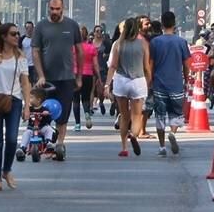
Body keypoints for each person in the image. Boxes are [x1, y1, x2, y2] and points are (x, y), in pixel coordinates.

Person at [32, 0, 83, 158]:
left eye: (57, 9)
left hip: (67, 77)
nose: (54, 12)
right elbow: (35, 51)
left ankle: (59, 144)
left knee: (63, 113)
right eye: (52, 9)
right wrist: (40, 75)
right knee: (44, 112)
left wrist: (79, 76)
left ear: (63, 8)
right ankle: (45, 142)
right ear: (48, 8)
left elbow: (80, 51)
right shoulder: (41, 26)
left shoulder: (72, 25)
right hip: (46, 79)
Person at [0, 22, 31, 189]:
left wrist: (27, 106)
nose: (17, 37)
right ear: (3, 36)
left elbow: (25, 83)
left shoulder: (20, 57)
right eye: (13, 34)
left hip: (14, 100)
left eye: (17, 34)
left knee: (12, 139)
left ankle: (7, 170)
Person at [106, 17, 151, 157]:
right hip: (138, 81)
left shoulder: (118, 44)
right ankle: (134, 135)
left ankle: (124, 147)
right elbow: (146, 66)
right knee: (137, 115)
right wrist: (148, 81)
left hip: (121, 81)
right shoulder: (143, 43)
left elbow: (112, 66)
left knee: (124, 116)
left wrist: (107, 84)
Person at [149, 11, 191, 157]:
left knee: (160, 116)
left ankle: (161, 147)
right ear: (174, 24)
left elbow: (150, 64)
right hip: (176, 84)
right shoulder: (181, 42)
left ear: (161, 24)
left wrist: (150, 81)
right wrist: (187, 79)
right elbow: (186, 64)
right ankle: (172, 132)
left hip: (159, 84)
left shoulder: (155, 42)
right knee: (176, 114)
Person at [72, 25, 99, 131]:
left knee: (75, 100)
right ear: (87, 36)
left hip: (75, 74)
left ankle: (77, 124)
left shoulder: (73, 47)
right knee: (86, 98)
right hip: (88, 74)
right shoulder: (91, 48)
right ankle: (87, 112)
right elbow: (96, 65)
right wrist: (99, 77)